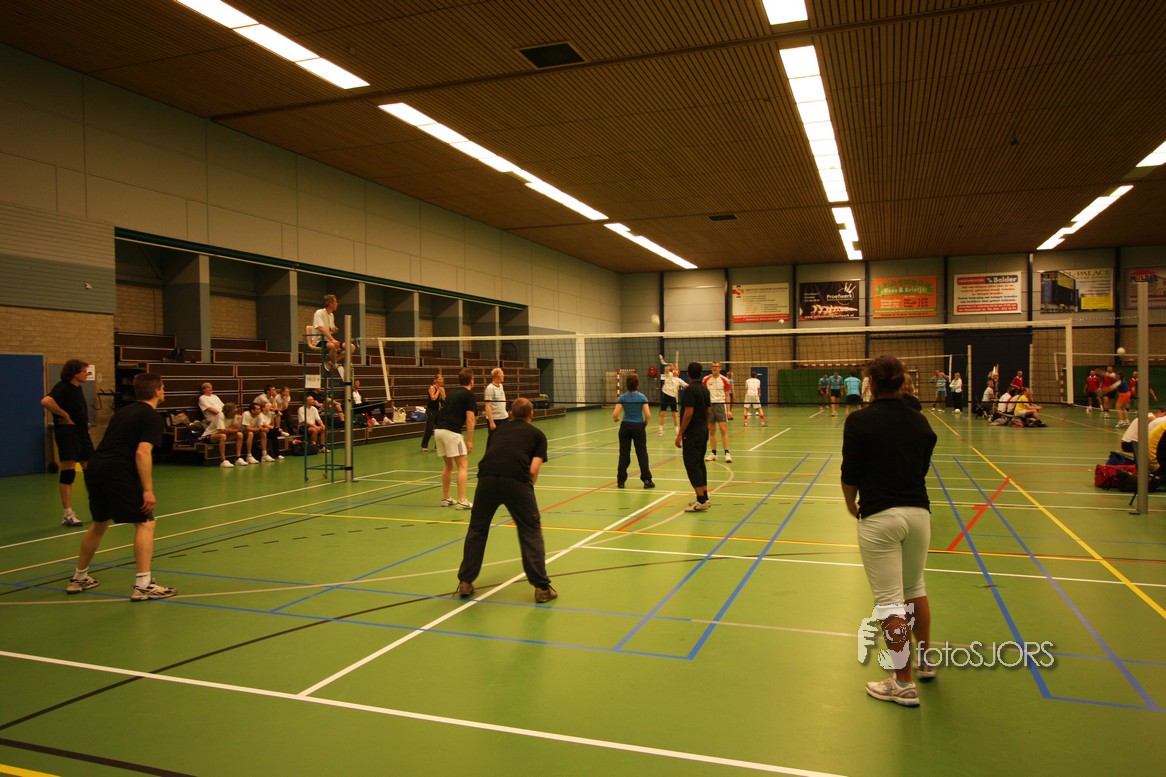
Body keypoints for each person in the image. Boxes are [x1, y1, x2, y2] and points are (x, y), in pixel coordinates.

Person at [842, 355, 937, 707]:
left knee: (889, 601)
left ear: (870, 383)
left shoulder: (858, 421)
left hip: (880, 517)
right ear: (901, 381)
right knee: (915, 588)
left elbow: (850, 473)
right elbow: (921, 468)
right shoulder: (920, 422)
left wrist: (851, 505)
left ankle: (903, 683)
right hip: (919, 514)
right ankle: (925, 662)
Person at [65, 372, 176, 601]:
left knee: (99, 523)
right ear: (157, 391)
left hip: (96, 468)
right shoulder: (152, 416)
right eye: (163, 387)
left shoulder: (123, 412)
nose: (163, 390)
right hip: (119, 471)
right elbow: (142, 452)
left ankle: (79, 577)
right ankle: (143, 585)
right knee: (146, 523)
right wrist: (147, 490)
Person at [455, 398, 556, 604]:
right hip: (516, 480)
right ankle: (542, 588)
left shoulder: (497, 432)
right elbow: (533, 470)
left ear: (511, 414)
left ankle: (465, 581)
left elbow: (493, 456)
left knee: (477, 529)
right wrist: (525, 492)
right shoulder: (537, 435)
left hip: (486, 479)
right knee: (530, 530)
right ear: (531, 414)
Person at [41, 359, 93, 527]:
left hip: (81, 432)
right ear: (74, 373)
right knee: (68, 471)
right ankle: (68, 514)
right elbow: (46, 401)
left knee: (90, 469)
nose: (86, 374)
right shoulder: (62, 387)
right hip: (67, 432)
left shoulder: (78, 388)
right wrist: (63, 414)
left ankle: (97, 505)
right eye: (84, 371)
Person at [436, 367, 477, 510]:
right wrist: (470, 440)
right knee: (463, 465)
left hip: (439, 431)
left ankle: (446, 498)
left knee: (448, 465)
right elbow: (470, 419)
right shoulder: (469, 395)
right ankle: (462, 500)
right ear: (471, 380)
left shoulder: (451, 394)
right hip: (451, 432)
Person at [676, 361, 712, 511]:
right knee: (700, 463)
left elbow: (688, 413)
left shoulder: (690, 391)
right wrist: (705, 426)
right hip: (703, 432)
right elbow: (709, 411)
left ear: (688, 374)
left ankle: (701, 501)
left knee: (692, 465)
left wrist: (680, 433)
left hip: (692, 434)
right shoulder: (705, 389)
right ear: (701, 374)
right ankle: (705, 497)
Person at [612, 374, 654, 488]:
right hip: (638, 426)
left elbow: (615, 414)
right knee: (642, 453)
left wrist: (616, 419)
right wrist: (646, 422)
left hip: (625, 426)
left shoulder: (622, 398)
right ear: (637, 384)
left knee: (624, 453)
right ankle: (647, 480)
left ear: (627, 385)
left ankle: (621, 481)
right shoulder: (642, 397)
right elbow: (648, 414)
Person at [313, 293, 352, 373]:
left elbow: (330, 329)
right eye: (335, 302)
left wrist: (334, 329)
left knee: (351, 347)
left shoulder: (331, 315)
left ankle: (332, 362)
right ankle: (334, 364)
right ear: (330, 303)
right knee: (334, 345)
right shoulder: (319, 313)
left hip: (328, 340)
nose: (337, 304)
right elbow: (321, 328)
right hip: (319, 341)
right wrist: (333, 340)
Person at [202, 401, 247, 468]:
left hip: (225, 434)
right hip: (210, 436)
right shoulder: (220, 415)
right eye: (235, 408)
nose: (237, 410)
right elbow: (222, 430)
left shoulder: (234, 416)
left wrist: (232, 429)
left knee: (239, 434)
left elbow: (237, 427)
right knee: (223, 436)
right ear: (230, 409)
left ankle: (238, 458)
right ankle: (223, 460)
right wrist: (232, 429)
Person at [703, 360, 732, 463]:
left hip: (720, 405)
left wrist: (729, 410)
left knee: (723, 430)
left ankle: (727, 453)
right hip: (710, 406)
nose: (714, 368)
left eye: (716, 366)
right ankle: (713, 453)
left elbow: (727, 396)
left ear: (720, 368)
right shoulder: (706, 379)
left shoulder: (725, 380)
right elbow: (704, 394)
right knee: (712, 431)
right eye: (712, 366)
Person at [658, 364, 687, 436]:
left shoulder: (679, 380)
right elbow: (666, 369)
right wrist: (671, 366)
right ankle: (661, 429)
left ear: (678, 373)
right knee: (662, 413)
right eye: (674, 369)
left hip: (673, 398)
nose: (675, 371)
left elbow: (686, 385)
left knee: (675, 414)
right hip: (665, 396)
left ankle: (676, 429)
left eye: (677, 370)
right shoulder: (669, 375)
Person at [421, 373, 445, 452]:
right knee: (429, 428)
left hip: (438, 411)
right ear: (436, 380)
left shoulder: (442, 389)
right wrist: (438, 391)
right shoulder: (432, 388)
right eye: (439, 379)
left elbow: (444, 400)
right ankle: (424, 446)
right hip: (431, 411)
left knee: (439, 429)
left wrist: (443, 394)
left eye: (442, 379)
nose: (441, 380)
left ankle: (437, 446)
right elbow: (433, 398)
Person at [484, 367, 507, 437]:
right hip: (495, 419)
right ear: (498, 376)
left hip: (504, 417)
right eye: (502, 374)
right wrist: (491, 422)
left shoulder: (501, 386)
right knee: (494, 438)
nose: (503, 375)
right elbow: (487, 406)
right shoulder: (490, 388)